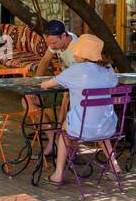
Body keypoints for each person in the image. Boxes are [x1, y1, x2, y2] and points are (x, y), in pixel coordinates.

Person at [39, 34, 118, 186]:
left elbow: (46, 85)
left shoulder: (77, 70)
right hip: (107, 125)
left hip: (82, 128)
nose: (74, 54)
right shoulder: (108, 70)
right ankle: (115, 166)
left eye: (77, 51)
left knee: (63, 132)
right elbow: (113, 83)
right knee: (99, 125)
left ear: (84, 54)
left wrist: (44, 82)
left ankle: (58, 174)